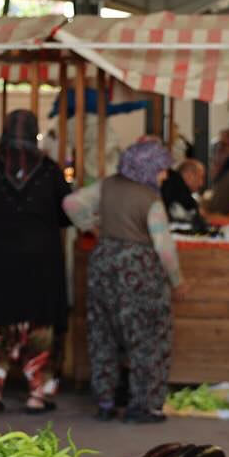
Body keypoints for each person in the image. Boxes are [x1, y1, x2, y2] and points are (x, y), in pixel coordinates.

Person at [64, 136, 185, 424]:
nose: (165, 174)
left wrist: (90, 225)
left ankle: (106, 402)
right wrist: (177, 280)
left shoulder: (106, 185)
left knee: (102, 333)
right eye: (161, 168)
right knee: (147, 339)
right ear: (147, 167)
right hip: (139, 271)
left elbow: (70, 202)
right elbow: (164, 246)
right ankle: (143, 407)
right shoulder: (150, 199)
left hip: (103, 263)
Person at [0, 110, 71, 415]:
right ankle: (37, 394)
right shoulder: (50, 171)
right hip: (41, 266)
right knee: (39, 330)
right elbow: (66, 215)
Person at [160, 158, 208, 232]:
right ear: (189, 175)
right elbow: (197, 218)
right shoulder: (178, 189)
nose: (201, 184)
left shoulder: (172, 184)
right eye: (200, 177)